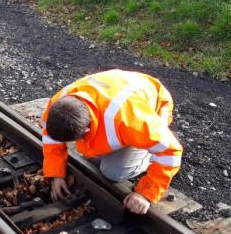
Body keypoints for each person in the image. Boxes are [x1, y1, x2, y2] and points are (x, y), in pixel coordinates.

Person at [41, 70, 182, 215]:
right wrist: (56, 174)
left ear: (87, 130)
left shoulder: (130, 122)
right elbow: (51, 140)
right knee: (91, 157)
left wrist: (145, 194)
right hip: (118, 90)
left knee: (114, 172)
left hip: (152, 104)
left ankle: (153, 145)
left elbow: (170, 151)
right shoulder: (57, 107)